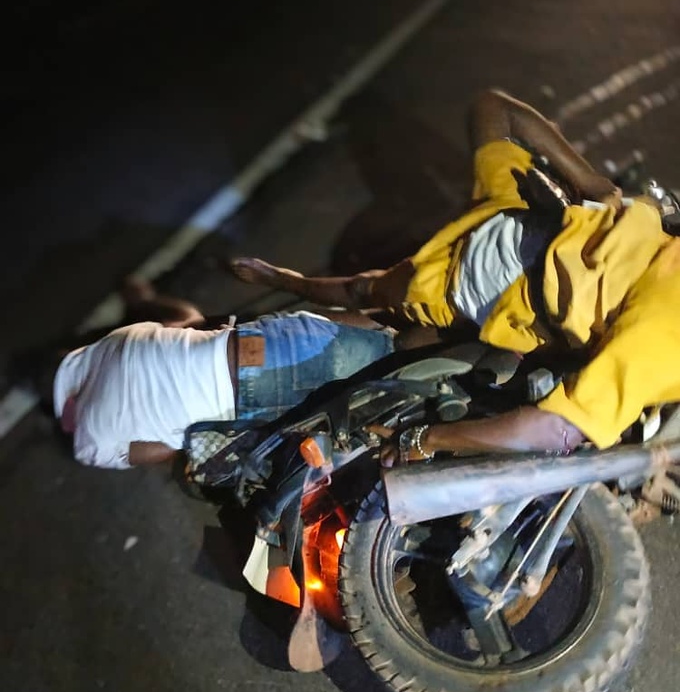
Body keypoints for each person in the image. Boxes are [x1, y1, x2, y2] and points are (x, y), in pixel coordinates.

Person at [230, 88, 680, 463]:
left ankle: (277, 301)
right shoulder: (432, 286)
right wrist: (425, 441)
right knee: (390, 327)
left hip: (536, 221)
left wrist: (596, 186)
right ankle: (276, 310)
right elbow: (556, 428)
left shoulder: (502, 197)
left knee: (380, 310)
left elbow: (493, 106)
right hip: (485, 286)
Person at [50, 281, 396, 470]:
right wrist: (149, 300)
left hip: (254, 400)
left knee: (379, 396)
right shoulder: (116, 340)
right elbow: (188, 321)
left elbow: (165, 450)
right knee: (392, 334)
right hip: (263, 345)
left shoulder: (88, 445)